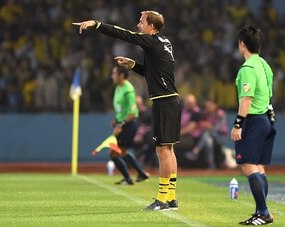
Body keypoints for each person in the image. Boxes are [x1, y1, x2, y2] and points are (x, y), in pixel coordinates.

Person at [73, 10, 181, 211]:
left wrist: (96, 24)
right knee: (169, 150)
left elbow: (123, 34)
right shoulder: (164, 43)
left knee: (163, 151)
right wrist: (132, 65)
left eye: (141, 22)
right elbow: (152, 72)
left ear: (151, 26)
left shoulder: (151, 41)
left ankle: (162, 199)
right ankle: (171, 198)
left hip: (164, 102)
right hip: (170, 100)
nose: (138, 25)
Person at [230, 25, 276, 225]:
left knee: (248, 165)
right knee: (259, 166)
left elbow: (246, 99)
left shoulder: (247, 68)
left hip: (253, 120)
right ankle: (261, 212)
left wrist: (238, 124)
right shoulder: (265, 65)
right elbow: (269, 93)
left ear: (242, 44)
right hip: (266, 119)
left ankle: (263, 212)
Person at [109, 66, 149, 185]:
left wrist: (120, 124)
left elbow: (132, 113)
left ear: (121, 76)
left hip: (129, 125)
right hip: (122, 124)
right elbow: (122, 110)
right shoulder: (118, 88)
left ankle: (130, 177)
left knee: (115, 153)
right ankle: (139, 174)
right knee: (119, 153)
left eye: (114, 74)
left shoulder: (128, 90)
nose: (112, 76)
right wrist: (117, 120)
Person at [185, 99, 228, 169]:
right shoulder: (206, 114)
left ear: (215, 105)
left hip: (220, 136)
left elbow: (217, 129)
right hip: (209, 136)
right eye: (207, 106)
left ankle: (195, 151)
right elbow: (201, 125)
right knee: (208, 141)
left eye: (210, 106)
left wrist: (209, 126)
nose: (208, 108)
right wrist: (204, 121)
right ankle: (211, 164)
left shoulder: (221, 114)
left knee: (206, 135)